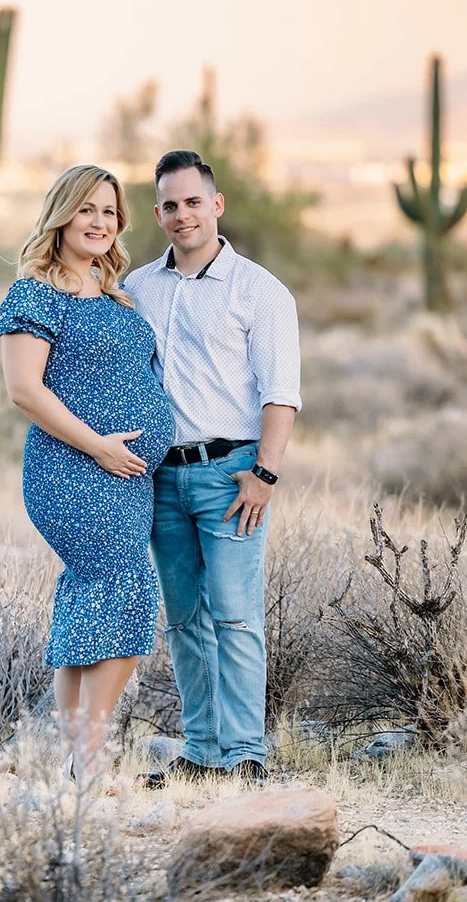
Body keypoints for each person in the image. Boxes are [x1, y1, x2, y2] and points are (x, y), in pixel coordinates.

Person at [122, 149, 302, 789]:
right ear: (157, 213)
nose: (182, 215)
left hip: (232, 476)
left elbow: (281, 393)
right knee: (184, 617)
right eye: (170, 205)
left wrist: (265, 474)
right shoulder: (139, 288)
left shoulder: (259, 291)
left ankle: (246, 751)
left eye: (193, 202)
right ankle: (201, 749)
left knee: (234, 612)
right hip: (158, 478)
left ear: (216, 205)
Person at [0, 163, 175, 788]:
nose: (100, 222)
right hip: (74, 470)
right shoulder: (34, 295)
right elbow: (23, 390)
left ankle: (74, 761)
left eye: (109, 211)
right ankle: (88, 760)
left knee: (90, 599)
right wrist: (99, 446)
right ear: (61, 216)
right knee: (128, 596)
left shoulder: (117, 295)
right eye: (86, 210)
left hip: (126, 476)